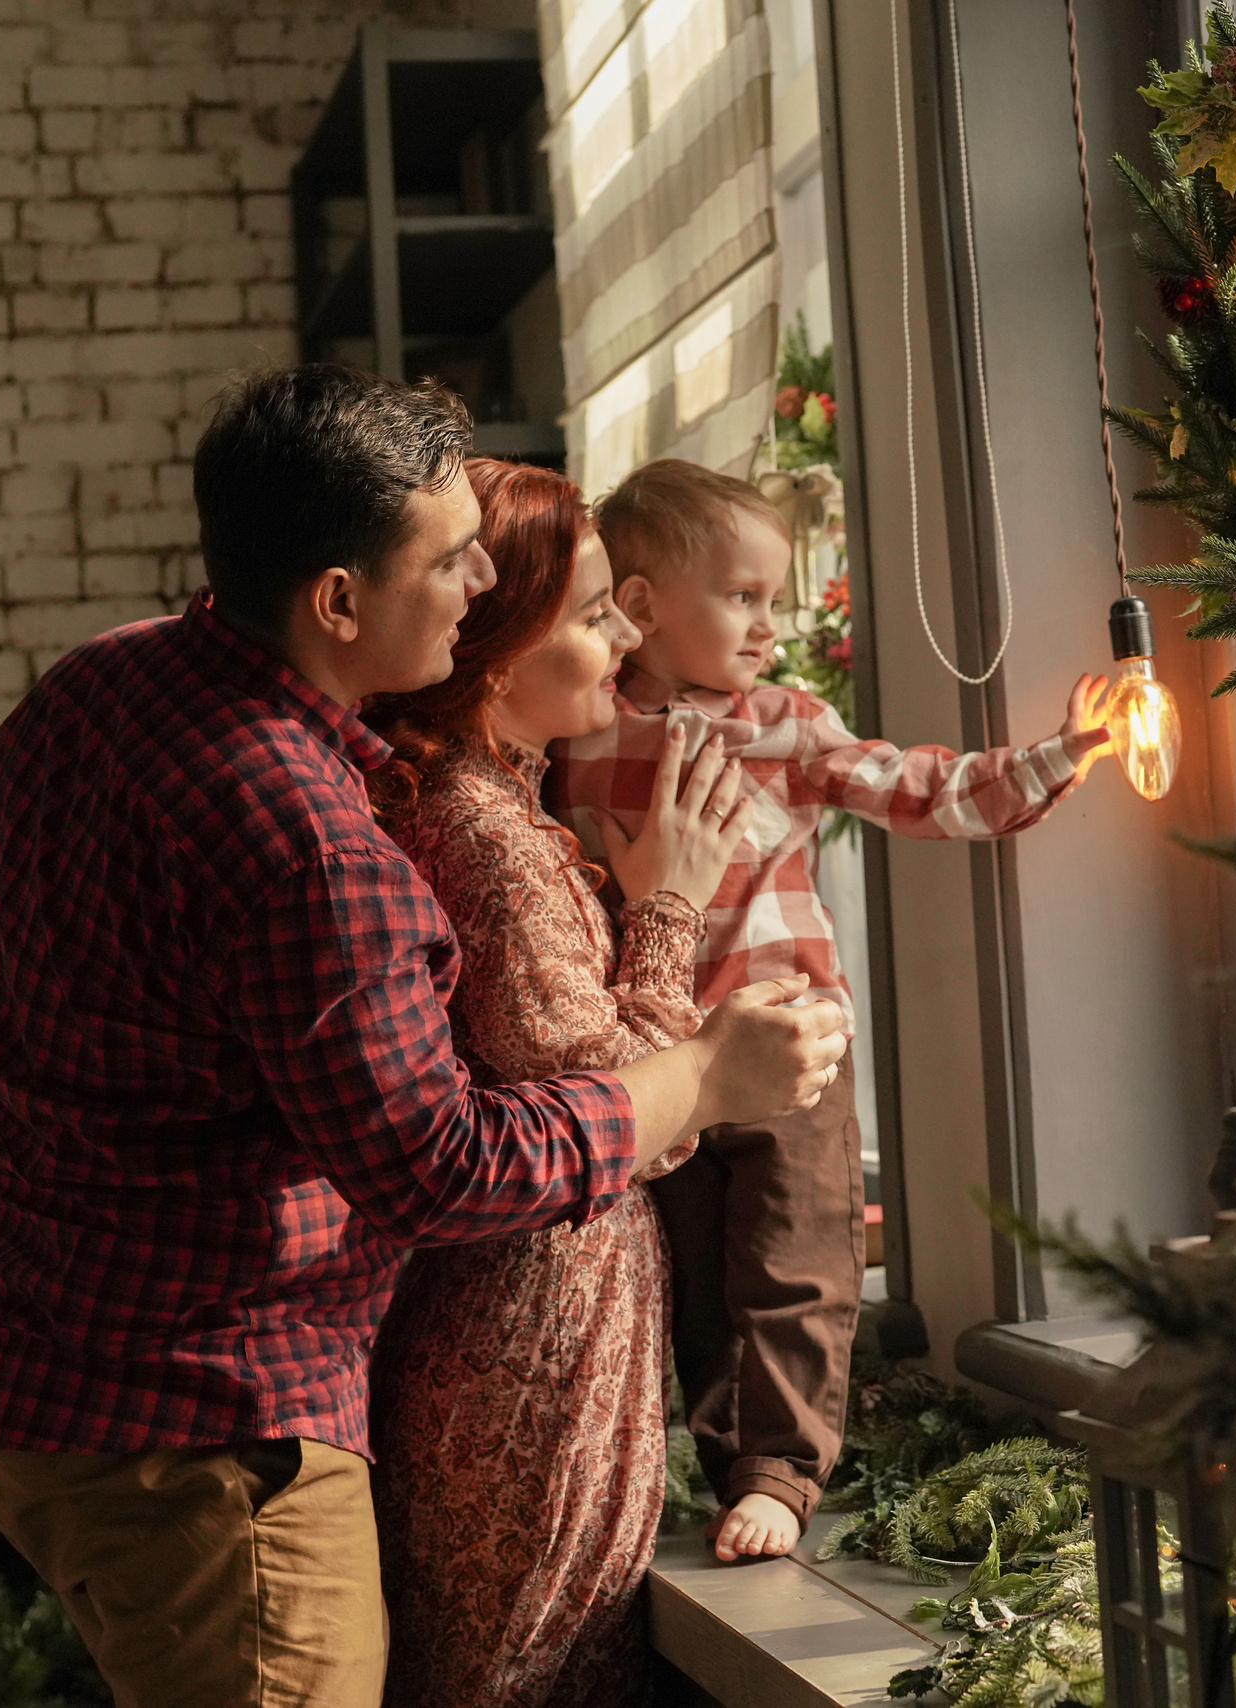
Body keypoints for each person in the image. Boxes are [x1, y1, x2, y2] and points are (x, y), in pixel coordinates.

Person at [0, 371, 847, 1708]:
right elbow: (448, 1172)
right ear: (338, 601)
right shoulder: (311, 840)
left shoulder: (98, 686)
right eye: (449, 555)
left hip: (32, 1371)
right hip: (208, 1438)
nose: (483, 574)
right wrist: (708, 1070)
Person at [547, 458, 1112, 1562]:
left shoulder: (789, 725)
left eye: (778, 595)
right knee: (701, 1275)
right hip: (662, 1057)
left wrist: (1058, 754)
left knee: (797, 1259)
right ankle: (728, 1463)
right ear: (646, 605)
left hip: (794, 1041)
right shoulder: (581, 736)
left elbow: (925, 788)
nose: (772, 622)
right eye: (745, 596)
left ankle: (782, 1468)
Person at [355, 459, 740, 1706]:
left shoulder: (489, 813)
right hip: (528, 1361)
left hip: (541, 1342)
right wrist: (670, 906)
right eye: (589, 613)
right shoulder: (482, 836)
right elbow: (629, 1108)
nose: (626, 629)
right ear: (497, 656)